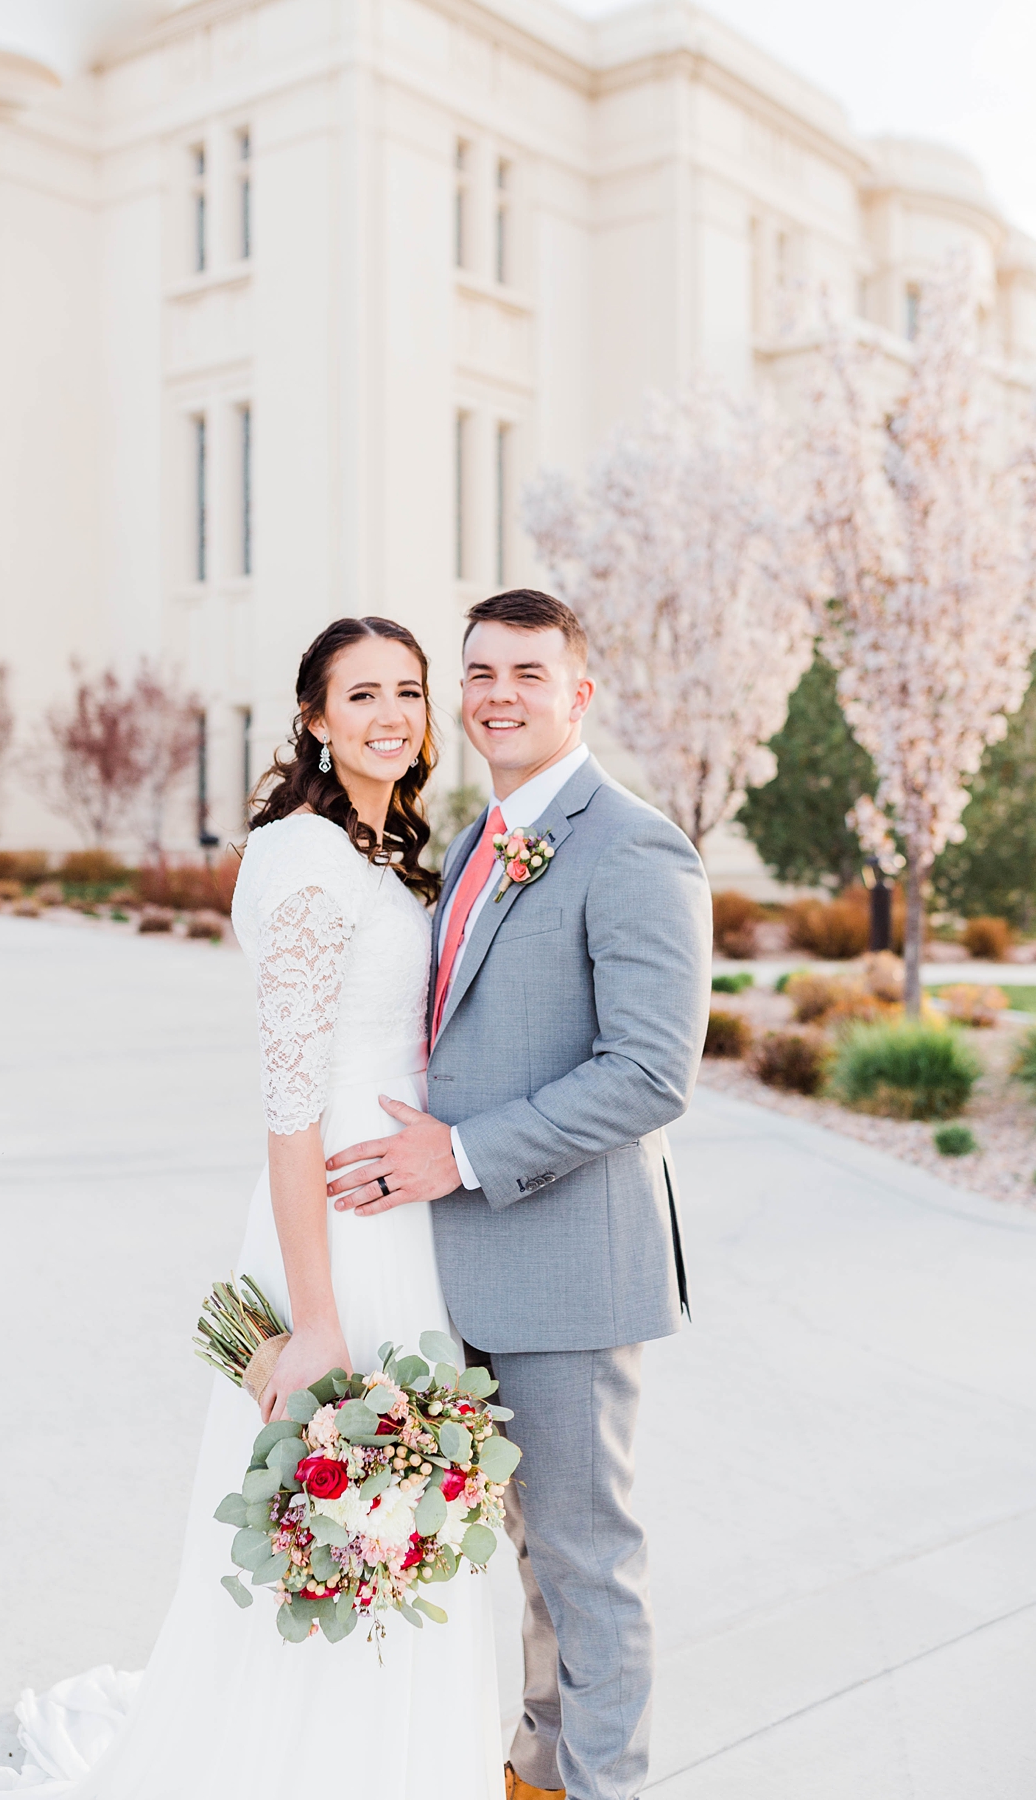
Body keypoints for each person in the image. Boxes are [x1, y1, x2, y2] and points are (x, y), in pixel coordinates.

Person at [0, 617, 503, 1800]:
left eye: (409, 692)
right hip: (342, 1236)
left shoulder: (374, 851)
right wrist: (314, 1320)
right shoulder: (305, 857)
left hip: (405, 1219)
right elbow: (288, 1105)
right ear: (311, 717)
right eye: (363, 694)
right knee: (349, 1504)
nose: (393, 715)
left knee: (405, 1514)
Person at [326, 590, 713, 1800]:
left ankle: (602, 1788)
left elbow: (652, 1072)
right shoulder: (481, 840)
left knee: (589, 1565)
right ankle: (538, 1772)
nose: (499, 694)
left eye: (528, 674)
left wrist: (465, 1152)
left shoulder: (634, 843)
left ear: (578, 694)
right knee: (530, 1558)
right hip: (467, 1264)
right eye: (479, 671)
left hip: (570, 1265)